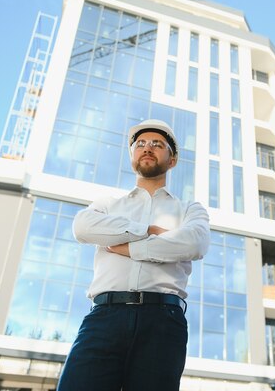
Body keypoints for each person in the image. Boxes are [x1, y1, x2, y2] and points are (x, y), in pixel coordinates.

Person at [57, 119, 210, 391]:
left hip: (163, 321)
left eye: (157, 144)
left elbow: (194, 243)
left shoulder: (189, 209)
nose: (147, 148)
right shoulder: (108, 204)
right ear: (132, 157)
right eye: (140, 144)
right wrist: (148, 230)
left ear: (172, 160)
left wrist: (129, 247)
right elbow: (82, 227)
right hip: (104, 316)